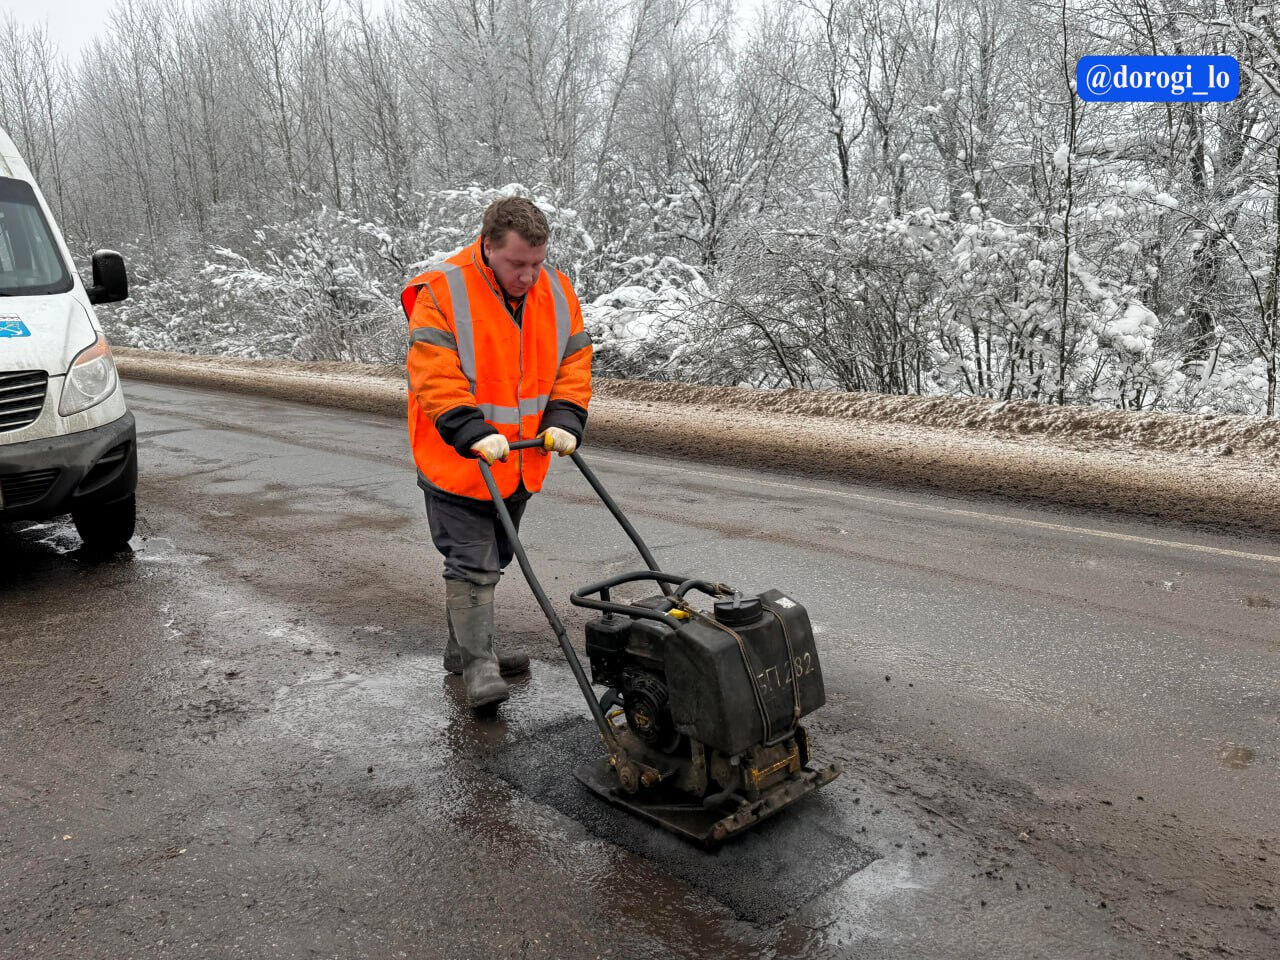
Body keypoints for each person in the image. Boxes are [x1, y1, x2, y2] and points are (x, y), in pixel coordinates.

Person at [401, 197, 592, 711]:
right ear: (488, 246)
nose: (528, 276)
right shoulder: (443, 291)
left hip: (520, 461)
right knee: (473, 563)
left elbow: (574, 362)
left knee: (498, 557)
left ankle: (464, 647)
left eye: (536, 263)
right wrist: (469, 428)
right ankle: (478, 667)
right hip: (458, 459)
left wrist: (565, 418)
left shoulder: (557, 290)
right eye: (516, 264)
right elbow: (434, 373)